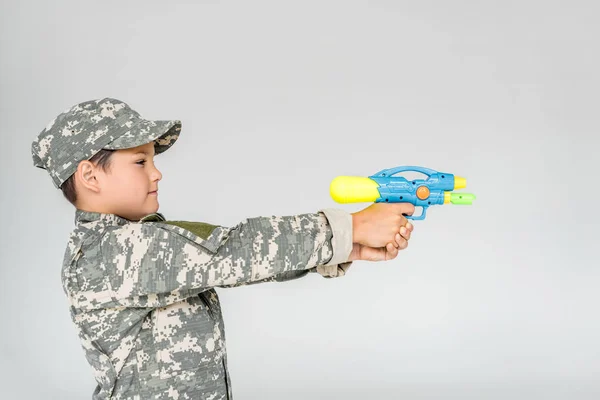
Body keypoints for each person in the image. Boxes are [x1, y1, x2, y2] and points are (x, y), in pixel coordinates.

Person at [31, 98, 415, 399]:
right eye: (139, 161)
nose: (157, 171)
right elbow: (234, 252)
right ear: (90, 175)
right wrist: (352, 226)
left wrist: (344, 246)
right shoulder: (111, 252)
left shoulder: (143, 239)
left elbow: (226, 258)